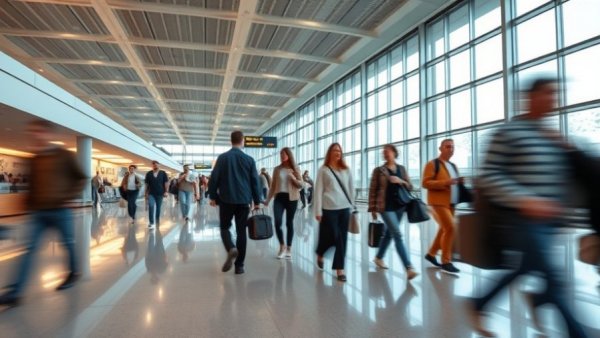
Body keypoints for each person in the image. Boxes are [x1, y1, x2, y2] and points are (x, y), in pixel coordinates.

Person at [467, 78, 587, 338]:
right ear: (530, 97)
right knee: (555, 279)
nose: (555, 98)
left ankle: (480, 302)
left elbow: (561, 178)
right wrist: (524, 200)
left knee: (525, 268)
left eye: (557, 93)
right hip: (519, 219)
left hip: (549, 222)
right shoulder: (508, 132)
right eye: (549, 93)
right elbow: (488, 175)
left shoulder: (551, 136)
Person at [0, 120, 86, 307]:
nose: (35, 136)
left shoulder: (64, 156)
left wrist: (69, 197)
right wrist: (26, 204)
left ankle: (73, 272)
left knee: (68, 244)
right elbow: (33, 186)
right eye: (33, 132)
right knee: (29, 250)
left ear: (49, 134)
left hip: (61, 210)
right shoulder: (34, 159)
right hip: (38, 212)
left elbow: (81, 178)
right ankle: (15, 292)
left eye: (39, 132)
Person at [208, 131, 261, 275]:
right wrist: (257, 201)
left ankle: (231, 248)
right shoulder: (249, 160)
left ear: (230, 141)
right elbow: (255, 182)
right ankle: (240, 266)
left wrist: (212, 196)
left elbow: (214, 178)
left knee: (225, 227)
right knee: (241, 231)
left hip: (226, 199)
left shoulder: (223, 158)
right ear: (242, 141)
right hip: (244, 200)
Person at [368, 144, 418, 280]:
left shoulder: (401, 169)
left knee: (389, 234)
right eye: (383, 152)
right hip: (385, 207)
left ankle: (378, 257)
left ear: (394, 153)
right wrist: (372, 209)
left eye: (387, 151)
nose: (385, 153)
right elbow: (372, 190)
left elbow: (411, 186)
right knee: (397, 234)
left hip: (400, 206)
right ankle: (409, 267)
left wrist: (400, 180)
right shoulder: (379, 170)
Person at [314, 143, 354, 282]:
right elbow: (318, 190)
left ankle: (339, 269)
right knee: (332, 237)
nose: (338, 152)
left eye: (339, 150)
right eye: (335, 150)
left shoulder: (346, 169)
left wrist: (352, 206)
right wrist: (317, 210)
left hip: (344, 208)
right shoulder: (323, 170)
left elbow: (351, 188)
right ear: (330, 152)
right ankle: (320, 253)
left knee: (342, 238)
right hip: (328, 208)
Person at [422, 138, 463, 274]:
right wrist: (445, 182)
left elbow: (453, 183)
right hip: (438, 203)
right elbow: (425, 183)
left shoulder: (453, 166)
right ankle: (446, 261)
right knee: (450, 227)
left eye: (452, 147)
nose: (450, 149)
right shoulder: (432, 164)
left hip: (451, 203)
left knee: (444, 229)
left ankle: (431, 254)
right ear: (440, 148)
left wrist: (459, 182)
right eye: (447, 146)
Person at [264, 148, 304, 260]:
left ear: (288, 155)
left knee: (289, 223)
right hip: (279, 198)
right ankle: (282, 246)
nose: (281, 156)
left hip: (292, 198)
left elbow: (301, 185)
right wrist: (267, 200)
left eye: (283, 154)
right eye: (280, 154)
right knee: (277, 222)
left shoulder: (295, 168)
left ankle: (289, 248)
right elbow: (273, 186)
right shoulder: (277, 169)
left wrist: (293, 179)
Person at [145, 160, 169, 229]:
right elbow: (146, 184)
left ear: (159, 165)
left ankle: (157, 219)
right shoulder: (149, 173)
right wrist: (146, 193)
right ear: (152, 165)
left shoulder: (163, 173)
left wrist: (166, 191)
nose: (155, 165)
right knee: (151, 206)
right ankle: (151, 223)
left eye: (156, 164)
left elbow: (166, 183)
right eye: (153, 164)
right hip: (151, 193)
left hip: (160, 193)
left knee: (158, 208)